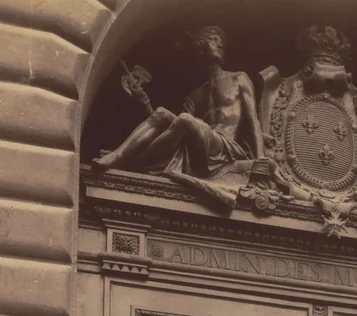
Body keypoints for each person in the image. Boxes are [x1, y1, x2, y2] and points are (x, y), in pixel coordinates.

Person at [93, 26, 264, 204]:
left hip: (227, 148)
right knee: (161, 114)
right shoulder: (197, 95)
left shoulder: (239, 78)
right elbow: (174, 133)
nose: (220, 44)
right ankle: (118, 156)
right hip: (201, 148)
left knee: (185, 120)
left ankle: (135, 161)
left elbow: (254, 121)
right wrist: (144, 102)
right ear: (201, 47)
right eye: (213, 39)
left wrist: (262, 160)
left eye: (221, 41)